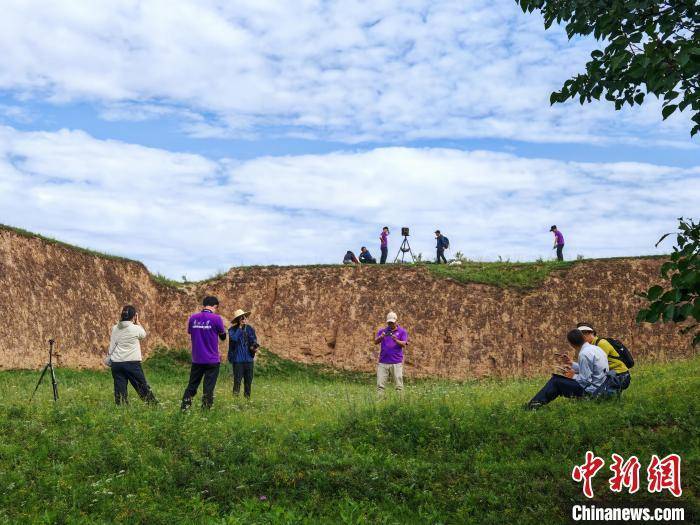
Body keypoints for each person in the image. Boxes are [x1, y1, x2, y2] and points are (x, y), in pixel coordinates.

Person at [527, 329, 608, 409]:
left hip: (592, 391)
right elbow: (590, 369)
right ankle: (535, 403)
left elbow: (585, 381)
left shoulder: (584, 354)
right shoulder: (596, 349)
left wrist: (572, 376)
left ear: (571, 344)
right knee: (559, 380)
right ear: (583, 338)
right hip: (602, 386)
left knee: (556, 381)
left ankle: (533, 405)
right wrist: (571, 363)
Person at [106, 305, 158, 405]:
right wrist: (138, 322)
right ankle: (153, 406)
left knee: (120, 389)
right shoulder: (135, 329)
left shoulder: (114, 328)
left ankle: (121, 407)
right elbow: (143, 334)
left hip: (116, 363)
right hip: (131, 364)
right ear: (134, 316)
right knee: (142, 386)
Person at [181, 296, 227, 410]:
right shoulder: (216, 319)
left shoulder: (193, 318)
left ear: (204, 305)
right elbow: (223, 337)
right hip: (212, 360)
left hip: (197, 359)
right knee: (208, 387)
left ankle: (184, 408)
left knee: (192, 385)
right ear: (215, 306)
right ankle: (205, 411)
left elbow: (192, 333)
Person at [577, 323, 631, 390]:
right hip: (611, 374)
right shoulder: (591, 346)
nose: (581, 338)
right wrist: (572, 365)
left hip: (620, 376)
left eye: (584, 334)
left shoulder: (601, 343)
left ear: (590, 333)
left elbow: (599, 367)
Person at [373, 311, 408, 397]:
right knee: (380, 385)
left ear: (396, 321)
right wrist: (381, 337)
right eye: (389, 322)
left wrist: (396, 340)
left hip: (396, 362)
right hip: (383, 362)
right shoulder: (383, 331)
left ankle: (400, 402)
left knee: (399, 385)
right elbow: (375, 342)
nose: (390, 324)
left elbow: (404, 344)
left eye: (392, 322)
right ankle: (379, 402)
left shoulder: (402, 331)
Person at [228, 309, 258, 399]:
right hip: (238, 360)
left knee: (248, 381)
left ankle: (247, 400)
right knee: (237, 381)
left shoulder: (250, 329)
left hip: (249, 359)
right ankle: (235, 400)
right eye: (241, 318)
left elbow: (254, 340)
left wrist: (254, 347)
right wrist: (240, 327)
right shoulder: (232, 330)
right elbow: (234, 339)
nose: (243, 319)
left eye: (244, 317)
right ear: (237, 319)